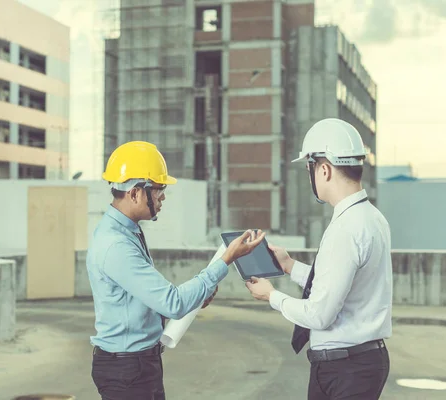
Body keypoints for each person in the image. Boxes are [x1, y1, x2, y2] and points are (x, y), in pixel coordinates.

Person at [87, 140, 266, 400]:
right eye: (158, 189)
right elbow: (172, 302)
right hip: (127, 370)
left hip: (135, 364)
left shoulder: (127, 231)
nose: (163, 197)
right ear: (136, 193)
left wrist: (197, 298)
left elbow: (150, 299)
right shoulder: (116, 244)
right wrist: (225, 259)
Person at [245, 118, 393, 400]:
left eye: (309, 168)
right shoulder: (371, 217)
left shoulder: (346, 228)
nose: (310, 175)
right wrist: (289, 266)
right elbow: (339, 280)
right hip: (356, 365)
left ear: (324, 169)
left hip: (346, 369)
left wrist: (272, 296)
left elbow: (319, 314)